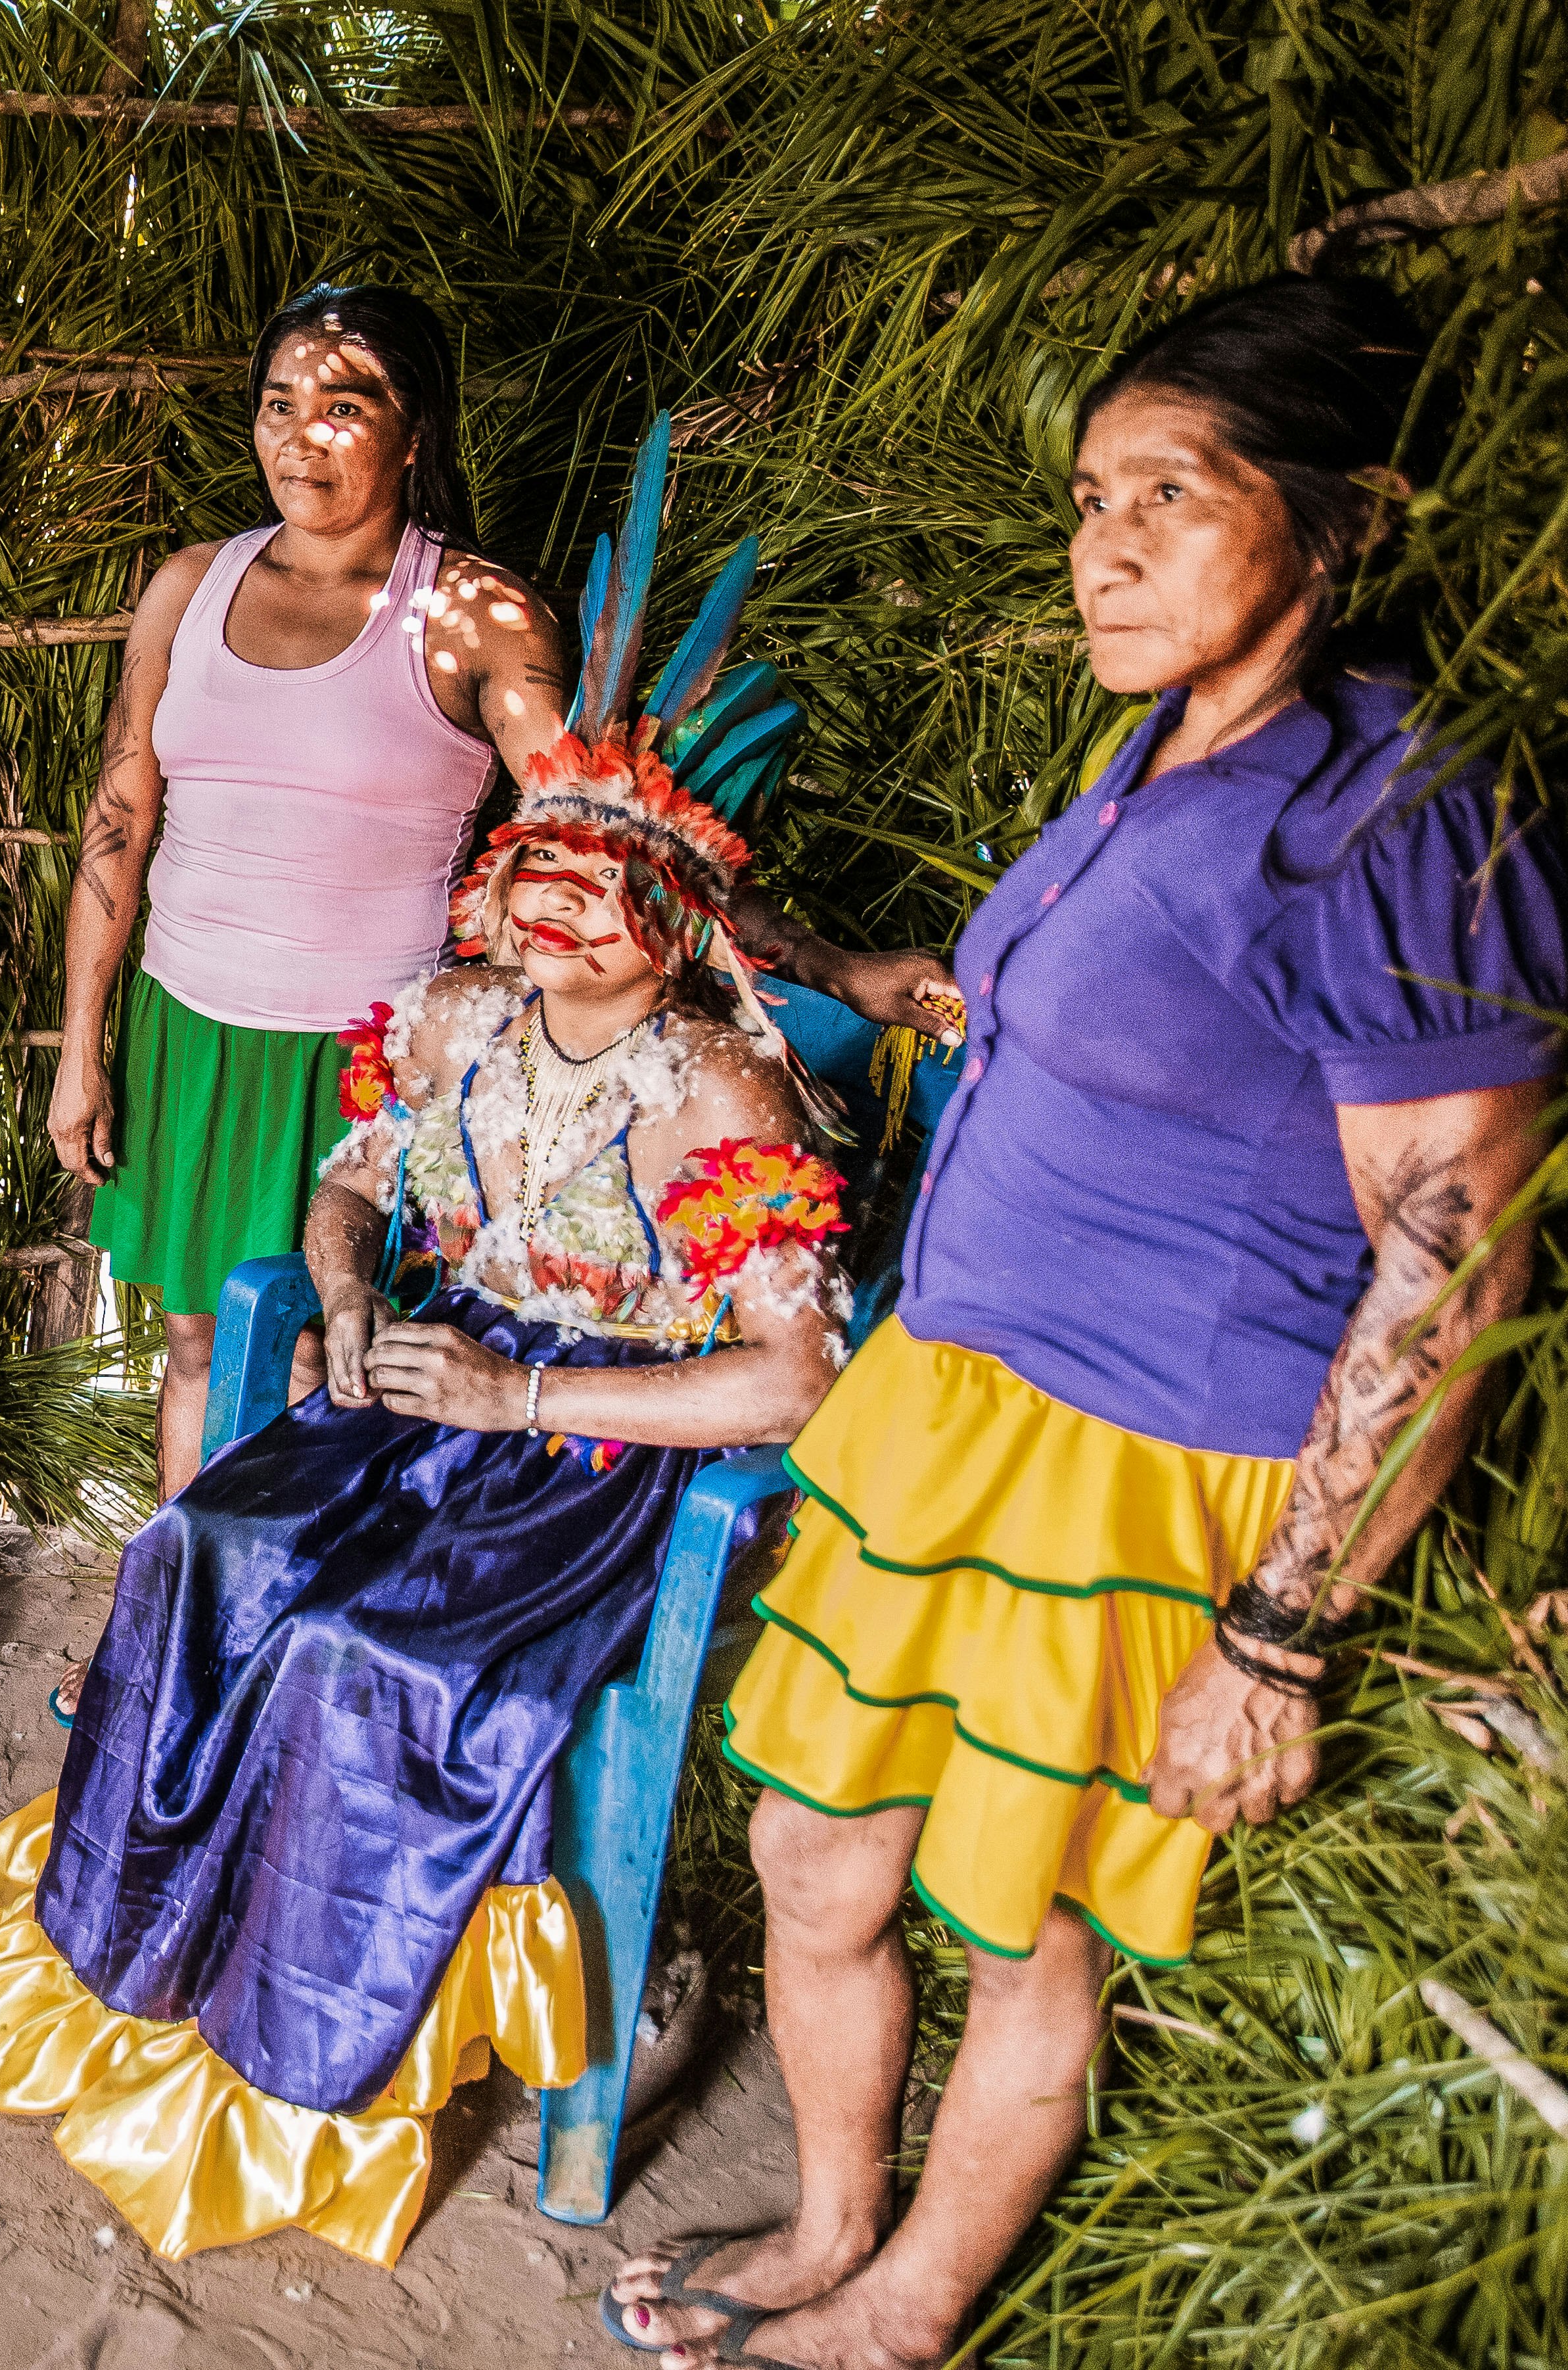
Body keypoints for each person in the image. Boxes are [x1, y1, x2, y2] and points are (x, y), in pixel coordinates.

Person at [610, 277, 1564, 2370]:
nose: (1102, 541)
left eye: (1169, 491)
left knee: (1026, 1924)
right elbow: (1046, 1011)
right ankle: (833, 2215)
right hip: (955, 1414)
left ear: (1337, 521)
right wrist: (803, 956)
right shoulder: (1158, 744)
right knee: (812, 1848)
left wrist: (1283, 1632)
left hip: (1149, 1457)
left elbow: (1454, 1244)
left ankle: (905, 2310)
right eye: (1086, 495)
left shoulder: (1389, 816)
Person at [0, 462, 849, 2267]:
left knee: (356, 1649)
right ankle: (136, 1965)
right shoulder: (453, 1019)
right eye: (538, 867)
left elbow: (792, 1381)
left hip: (594, 1448)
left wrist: (522, 1398)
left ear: (678, 909)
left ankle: (298, 2053)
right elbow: (348, 1182)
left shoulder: (718, 1087)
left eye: (605, 877)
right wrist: (342, 1300)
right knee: (196, 1548)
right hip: (428, 1375)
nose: (561, 903)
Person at [43, 285, 941, 1718]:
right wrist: (81, 1044)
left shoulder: (467, 615)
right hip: (185, 1021)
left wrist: (831, 970)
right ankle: (172, 1641)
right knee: (199, 1343)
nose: (298, 435)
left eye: (342, 406)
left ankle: (282, 1650)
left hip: (361, 1049)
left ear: (413, 431)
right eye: (279, 401)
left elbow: (611, 829)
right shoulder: (186, 587)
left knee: (328, 1351)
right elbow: (118, 812)